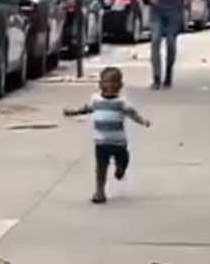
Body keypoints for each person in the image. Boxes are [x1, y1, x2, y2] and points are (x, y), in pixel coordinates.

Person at [64, 66, 151, 204]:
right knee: (100, 168)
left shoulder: (122, 102)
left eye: (113, 82)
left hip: (118, 142)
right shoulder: (96, 100)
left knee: (123, 159)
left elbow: (132, 114)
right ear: (100, 84)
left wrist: (143, 121)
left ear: (120, 85)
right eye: (106, 82)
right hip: (101, 142)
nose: (109, 85)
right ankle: (100, 191)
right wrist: (73, 112)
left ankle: (120, 168)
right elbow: (86, 109)